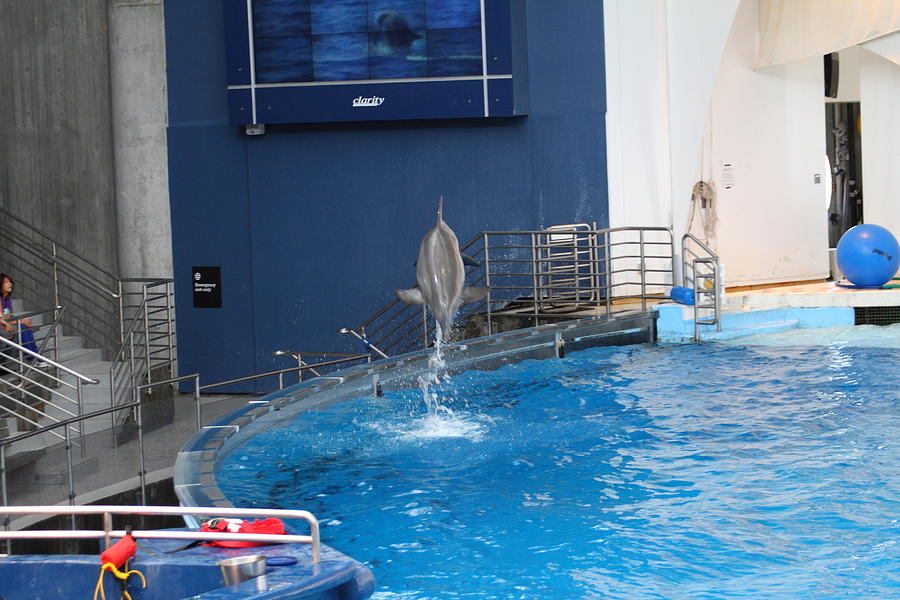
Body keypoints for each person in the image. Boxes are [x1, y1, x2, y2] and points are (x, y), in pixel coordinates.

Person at [0, 273, 42, 362]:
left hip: (5, 325)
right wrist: (21, 321)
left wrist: (22, 320)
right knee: (22, 328)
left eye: (10, 282)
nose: (10, 284)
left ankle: (34, 357)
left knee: (22, 328)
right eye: (6, 282)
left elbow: (8, 317)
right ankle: (35, 358)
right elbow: (2, 319)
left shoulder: (7, 300)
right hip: (2, 326)